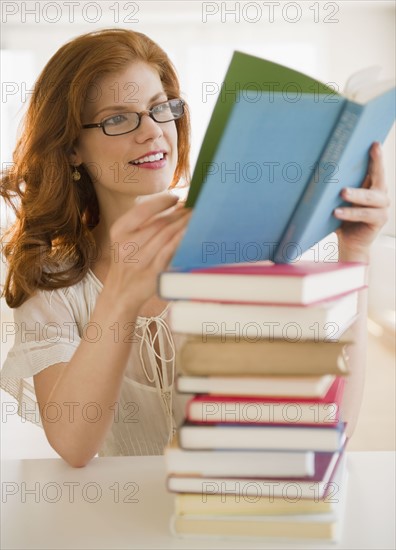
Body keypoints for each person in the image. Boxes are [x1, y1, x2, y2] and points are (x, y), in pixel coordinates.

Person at [0, 28, 390, 467]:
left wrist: (355, 255)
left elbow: (331, 424)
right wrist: (122, 295)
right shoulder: (54, 278)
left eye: (159, 108)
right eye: (118, 118)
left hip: (234, 517)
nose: (151, 132)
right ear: (72, 148)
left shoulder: (239, 245)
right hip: (120, 529)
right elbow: (74, 445)